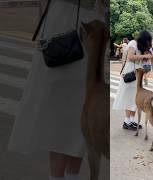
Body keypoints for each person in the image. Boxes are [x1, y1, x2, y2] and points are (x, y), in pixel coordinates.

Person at [8, 1, 105, 180]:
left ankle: (70, 176)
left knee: (82, 112)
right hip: (66, 23)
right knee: (63, 109)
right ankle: (60, 176)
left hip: (88, 24)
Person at [113, 30, 153, 130]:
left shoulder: (141, 46)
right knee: (129, 97)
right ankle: (126, 122)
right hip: (130, 71)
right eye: (147, 40)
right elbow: (130, 57)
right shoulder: (133, 43)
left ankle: (131, 121)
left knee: (136, 97)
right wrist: (144, 56)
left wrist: (147, 57)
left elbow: (140, 59)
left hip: (138, 72)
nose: (148, 42)